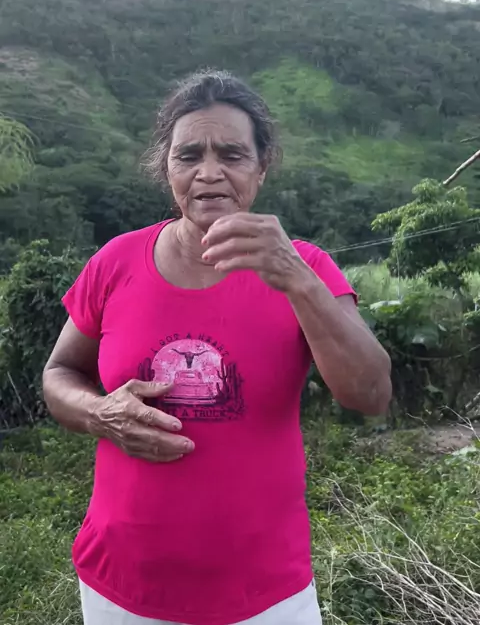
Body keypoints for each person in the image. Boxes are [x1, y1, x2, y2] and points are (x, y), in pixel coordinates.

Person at [43, 69, 392, 625]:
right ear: (166, 167)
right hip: (121, 588)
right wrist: (98, 412)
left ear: (261, 166)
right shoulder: (115, 262)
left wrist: (296, 279)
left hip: (266, 595)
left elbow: (370, 394)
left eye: (232, 154)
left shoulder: (307, 267)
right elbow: (60, 373)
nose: (209, 172)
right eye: (188, 155)